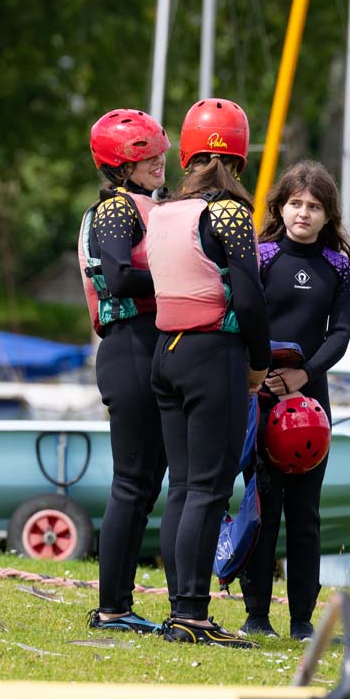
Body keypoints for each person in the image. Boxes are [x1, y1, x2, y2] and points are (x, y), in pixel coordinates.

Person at [146, 98, 271, 648]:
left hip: (164, 353)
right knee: (209, 488)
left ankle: (180, 607)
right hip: (210, 354)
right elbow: (250, 297)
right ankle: (194, 614)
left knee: (183, 487)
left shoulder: (164, 210)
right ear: (238, 158)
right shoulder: (229, 214)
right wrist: (259, 363)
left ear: (190, 153)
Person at [238, 160, 350, 642]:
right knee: (261, 507)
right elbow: (244, 318)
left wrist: (303, 374)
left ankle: (302, 620)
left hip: (310, 404)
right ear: (280, 207)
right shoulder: (261, 257)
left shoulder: (339, 268)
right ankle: (256, 614)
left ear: (328, 215)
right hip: (261, 396)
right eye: (295, 204)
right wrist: (261, 373)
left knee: (305, 515)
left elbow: (341, 333)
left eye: (314, 207)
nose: (303, 214)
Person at [79, 109, 170, 634]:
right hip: (130, 348)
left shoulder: (140, 205)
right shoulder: (116, 210)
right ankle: (113, 608)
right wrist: (183, 275)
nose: (158, 160)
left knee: (146, 482)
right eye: (144, 153)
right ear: (120, 164)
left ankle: (122, 603)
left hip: (145, 347)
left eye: (159, 150)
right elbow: (116, 276)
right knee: (132, 484)